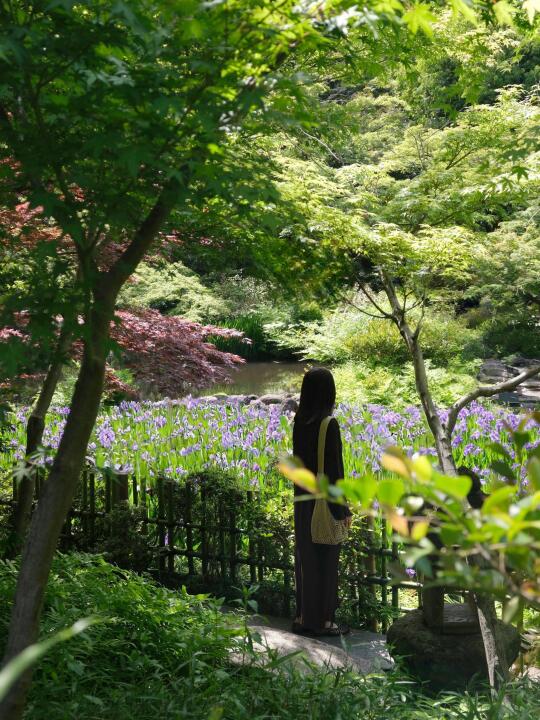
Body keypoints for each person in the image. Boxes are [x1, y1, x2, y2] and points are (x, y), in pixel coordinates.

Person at [292, 367, 352, 636]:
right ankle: (324, 622)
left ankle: (304, 616)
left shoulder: (299, 421)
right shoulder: (329, 424)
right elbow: (334, 472)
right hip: (324, 502)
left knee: (306, 560)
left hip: (303, 500)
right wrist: (343, 510)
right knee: (326, 563)